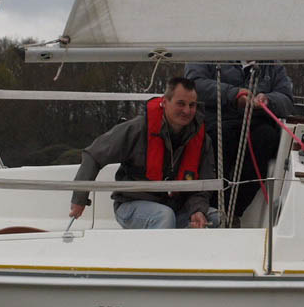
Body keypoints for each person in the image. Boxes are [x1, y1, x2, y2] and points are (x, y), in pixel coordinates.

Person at [68, 76, 219, 229]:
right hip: (132, 204)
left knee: (214, 217)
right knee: (164, 216)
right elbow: (94, 155)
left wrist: (197, 210)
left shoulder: (202, 140)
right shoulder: (137, 129)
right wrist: (79, 199)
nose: (187, 110)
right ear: (165, 102)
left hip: (174, 207)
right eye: (181, 103)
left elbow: (203, 185)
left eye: (192, 105)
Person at [184, 62, 293, 220]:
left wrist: (267, 100)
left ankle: (233, 212)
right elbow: (194, 84)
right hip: (217, 121)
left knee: (266, 138)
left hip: (256, 124)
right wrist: (233, 94)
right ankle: (212, 209)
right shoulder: (208, 53)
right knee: (220, 140)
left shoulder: (272, 65)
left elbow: (287, 100)